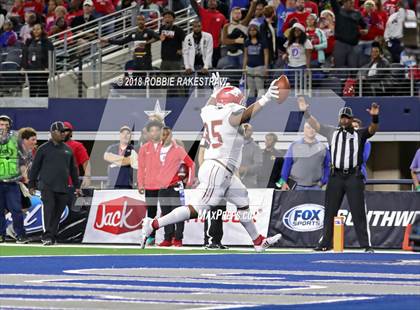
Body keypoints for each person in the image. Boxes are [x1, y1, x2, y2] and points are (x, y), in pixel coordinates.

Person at [140, 74, 282, 252]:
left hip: (221, 169)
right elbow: (245, 115)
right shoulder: (231, 113)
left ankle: (258, 241)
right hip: (218, 169)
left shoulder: (210, 112)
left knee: (242, 199)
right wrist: (267, 97)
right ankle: (153, 224)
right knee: (198, 208)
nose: (242, 103)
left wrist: (215, 92)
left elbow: (208, 105)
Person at [297, 97, 379, 252]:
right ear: (339, 119)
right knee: (330, 210)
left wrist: (375, 117)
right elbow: (316, 125)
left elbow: (372, 130)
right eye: (342, 117)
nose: (344, 120)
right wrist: (305, 113)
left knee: (358, 211)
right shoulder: (331, 132)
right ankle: (325, 243)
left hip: (354, 177)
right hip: (336, 176)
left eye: (347, 117)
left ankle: (366, 245)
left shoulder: (359, 134)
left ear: (351, 119)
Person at [29, 121, 80, 246]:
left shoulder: (68, 150)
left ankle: (52, 235)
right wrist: (32, 184)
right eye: (61, 131)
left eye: (65, 131)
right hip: (47, 186)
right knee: (49, 209)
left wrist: (77, 186)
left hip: (62, 187)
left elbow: (73, 169)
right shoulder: (43, 149)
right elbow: (35, 168)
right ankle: (47, 236)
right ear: (53, 133)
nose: (64, 134)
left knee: (58, 212)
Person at [154, 126, 195, 247]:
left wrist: (189, 182)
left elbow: (191, 164)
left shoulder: (178, 149)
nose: (165, 137)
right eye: (163, 134)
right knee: (165, 214)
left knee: (179, 213)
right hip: (162, 188)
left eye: (168, 134)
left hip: (175, 186)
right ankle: (167, 238)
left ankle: (178, 239)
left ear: (171, 136)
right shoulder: (157, 149)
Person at [0, 115, 29, 244]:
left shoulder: (16, 139)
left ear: (10, 125)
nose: (3, 127)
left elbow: (23, 159)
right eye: (1, 124)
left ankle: (20, 235)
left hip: (12, 182)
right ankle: (1, 235)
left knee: (16, 210)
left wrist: (25, 175)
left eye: (6, 124)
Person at [277, 122, 330, 191]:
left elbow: (328, 167)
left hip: (316, 188)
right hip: (296, 187)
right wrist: (283, 183)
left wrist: (323, 181)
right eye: (308, 128)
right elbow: (286, 166)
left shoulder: (323, 148)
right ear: (304, 130)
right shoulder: (294, 146)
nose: (311, 130)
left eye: (313, 128)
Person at [137, 120, 164, 246]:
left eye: (157, 130)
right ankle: (151, 237)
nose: (154, 133)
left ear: (161, 131)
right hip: (149, 185)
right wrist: (140, 183)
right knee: (151, 212)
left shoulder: (165, 146)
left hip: (164, 185)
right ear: (148, 133)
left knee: (166, 211)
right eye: (152, 130)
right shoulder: (144, 148)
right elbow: (141, 168)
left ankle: (168, 238)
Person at [198, 143, 228, 249]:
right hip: (212, 180)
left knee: (220, 212)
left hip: (223, 181)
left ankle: (217, 240)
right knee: (212, 211)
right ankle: (210, 240)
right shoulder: (210, 141)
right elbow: (201, 154)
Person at [218, 1, 257, 69]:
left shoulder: (244, 23)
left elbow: (250, 13)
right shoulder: (226, 26)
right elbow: (224, 41)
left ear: (241, 15)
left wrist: (254, 3)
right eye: (235, 13)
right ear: (231, 14)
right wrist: (236, 40)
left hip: (242, 54)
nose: (237, 15)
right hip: (230, 54)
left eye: (239, 13)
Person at [189, 0, 228, 68]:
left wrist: (221, 39)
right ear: (207, 4)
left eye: (214, 1)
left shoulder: (222, 16)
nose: (212, 2)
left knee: (214, 68)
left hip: (216, 47)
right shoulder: (202, 12)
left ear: (217, 4)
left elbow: (226, 29)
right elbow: (193, 2)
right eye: (210, 1)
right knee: (201, 68)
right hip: (202, 46)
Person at [331, 0, 367, 70]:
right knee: (339, 67)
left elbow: (364, 25)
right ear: (344, 2)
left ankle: (352, 80)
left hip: (354, 45)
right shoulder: (338, 10)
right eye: (350, 2)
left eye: (353, 2)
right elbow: (333, 2)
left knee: (353, 67)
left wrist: (365, 30)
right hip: (340, 44)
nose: (352, 4)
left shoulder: (357, 13)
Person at [21, 23, 54, 98]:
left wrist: (47, 66)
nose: (36, 31)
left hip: (42, 69)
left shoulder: (47, 42)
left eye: (38, 29)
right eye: (34, 29)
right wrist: (23, 66)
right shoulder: (28, 41)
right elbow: (25, 54)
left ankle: (44, 104)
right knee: (32, 87)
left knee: (42, 86)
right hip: (31, 68)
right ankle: (33, 105)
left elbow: (50, 54)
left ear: (42, 30)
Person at [63, 121, 90, 209]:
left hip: (71, 187)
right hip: (55, 187)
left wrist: (87, 176)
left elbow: (86, 162)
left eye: (66, 130)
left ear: (70, 132)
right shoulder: (53, 146)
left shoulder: (77, 146)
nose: (63, 132)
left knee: (73, 213)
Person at [243, 24, 269, 98]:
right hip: (249, 67)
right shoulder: (247, 42)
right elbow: (245, 56)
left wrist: (266, 68)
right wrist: (244, 68)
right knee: (250, 89)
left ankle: (261, 105)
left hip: (259, 67)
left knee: (260, 88)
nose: (252, 32)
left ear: (257, 31)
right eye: (250, 30)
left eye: (254, 30)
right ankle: (251, 105)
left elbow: (266, 55)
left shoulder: (262, 42)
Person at [239, 123, 262, 188]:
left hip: (249, 183)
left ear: (252, 132)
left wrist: (246, 169)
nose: (245, 131)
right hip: (234, 181)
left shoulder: (255, 147)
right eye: (244, 129)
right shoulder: (234, 145)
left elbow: (258, 165)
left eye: (248, 130)